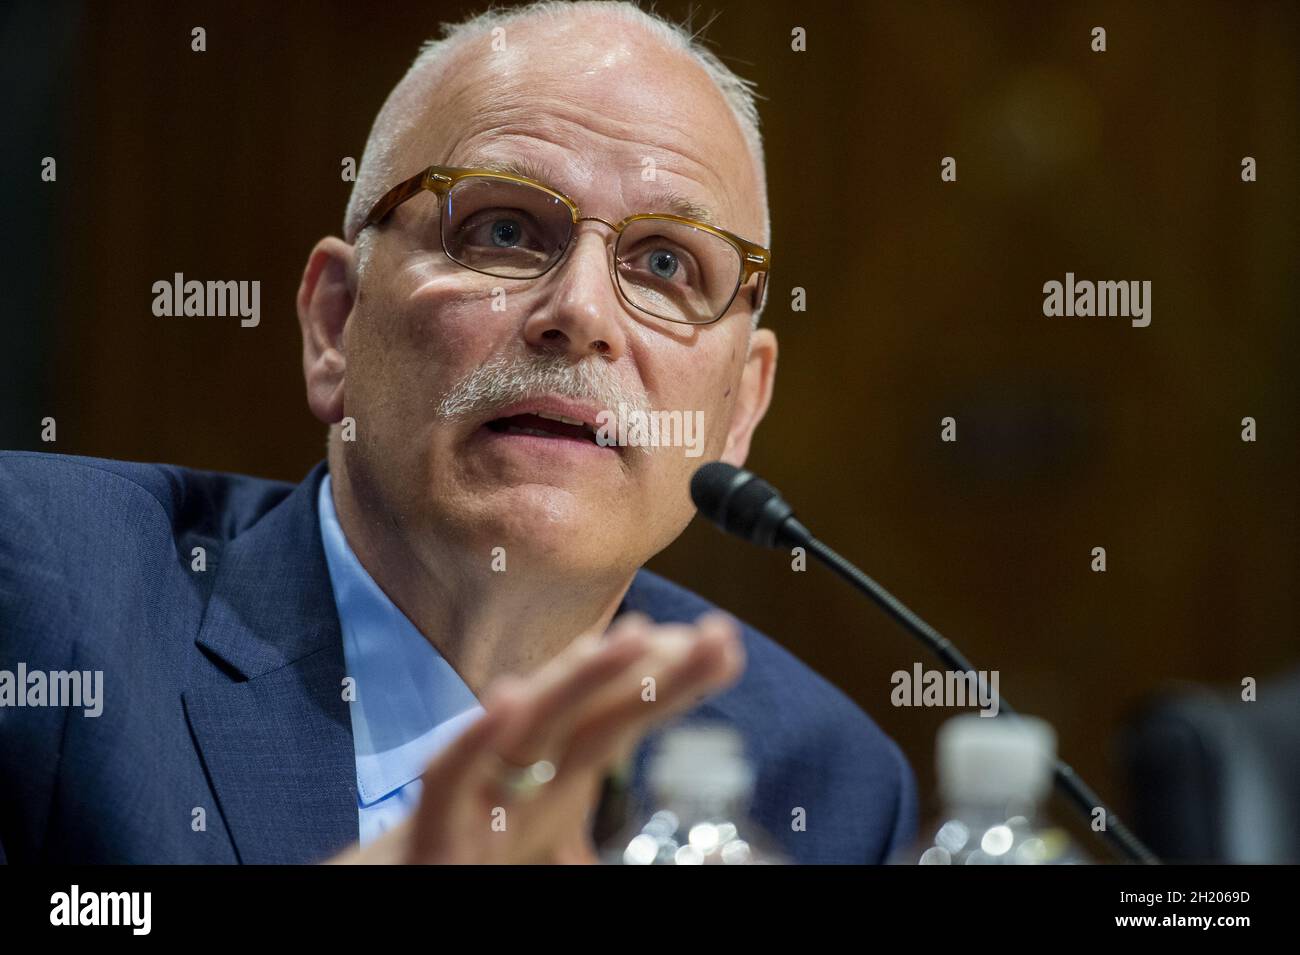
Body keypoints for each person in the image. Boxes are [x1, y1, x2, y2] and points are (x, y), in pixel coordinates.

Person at [0, 0, 916, 864]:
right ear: (335, 326)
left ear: (739, 409)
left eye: (667, 261)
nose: (583, 310)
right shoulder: (49, 599)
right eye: (505, 229)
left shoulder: (824, 785)